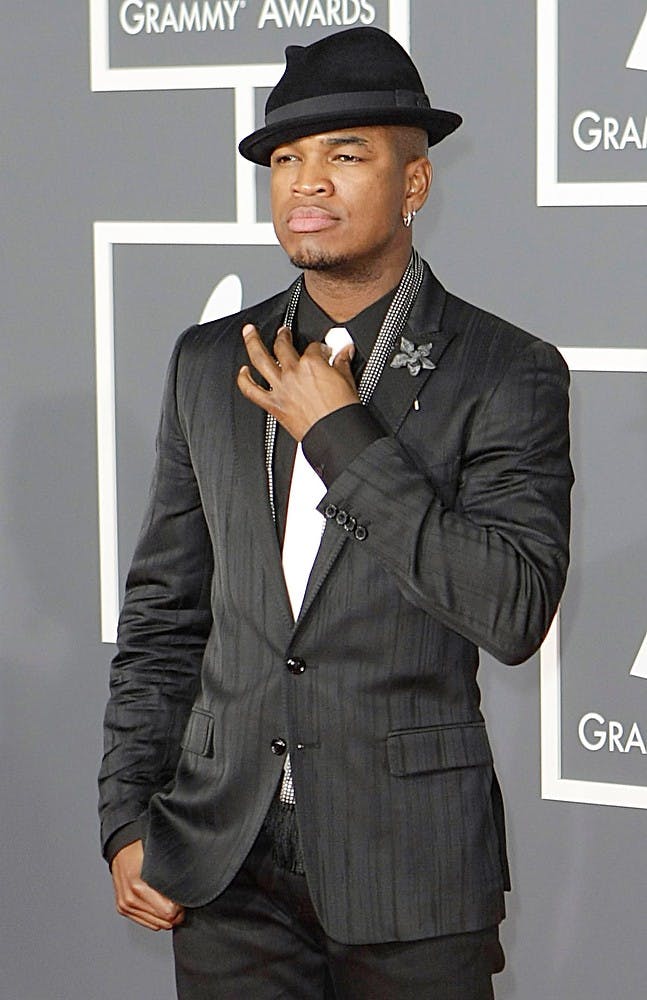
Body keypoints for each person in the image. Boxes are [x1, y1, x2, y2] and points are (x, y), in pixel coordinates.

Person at [99, 26, 573, 1000]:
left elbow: (511, 608)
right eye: (285, 158)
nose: (305, 181)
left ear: (413, 185)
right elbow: (163, 616)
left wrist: (342, 436)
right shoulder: (206, 363)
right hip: (225, 867)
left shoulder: (505, 370)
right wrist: (125, 813)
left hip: (411, 879)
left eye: (344, 153)